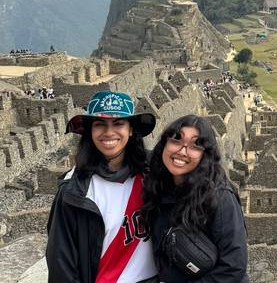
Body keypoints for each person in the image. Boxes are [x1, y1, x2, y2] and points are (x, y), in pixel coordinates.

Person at [46, 91, 158, 282]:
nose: (109, 132)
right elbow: (61, 262)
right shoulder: (74, 192)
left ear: (131, 129)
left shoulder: (154, 172)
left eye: (118, 123)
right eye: (100, 124)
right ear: (90, 130)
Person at [142, 115, 249, 282]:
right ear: (164, 144)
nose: (182, 151)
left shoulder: (219, 198)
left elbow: (233, 266)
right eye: (176, 141)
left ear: (204, 155)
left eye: (195, 146)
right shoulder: (159, 187)